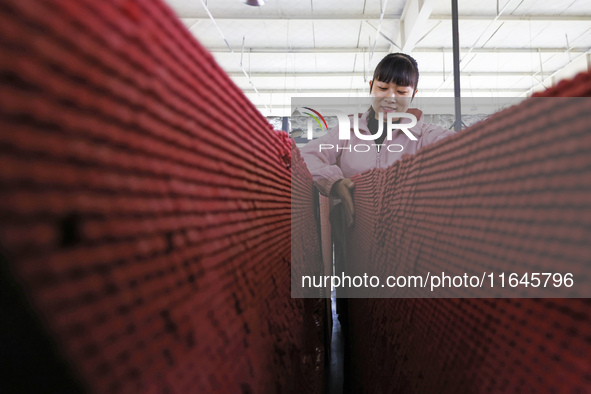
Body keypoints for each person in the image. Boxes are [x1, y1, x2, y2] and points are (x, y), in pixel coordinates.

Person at [301, 53, 456, 228]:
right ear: (371, 87)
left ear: (413, 94)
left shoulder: (424, 136)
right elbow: (306, 156)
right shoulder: (347, 131)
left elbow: (464, 149)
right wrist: (335, 183)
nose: (390, 98)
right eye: (382, 88)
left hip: (404, 236)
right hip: (354, 236)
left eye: (401, 92)